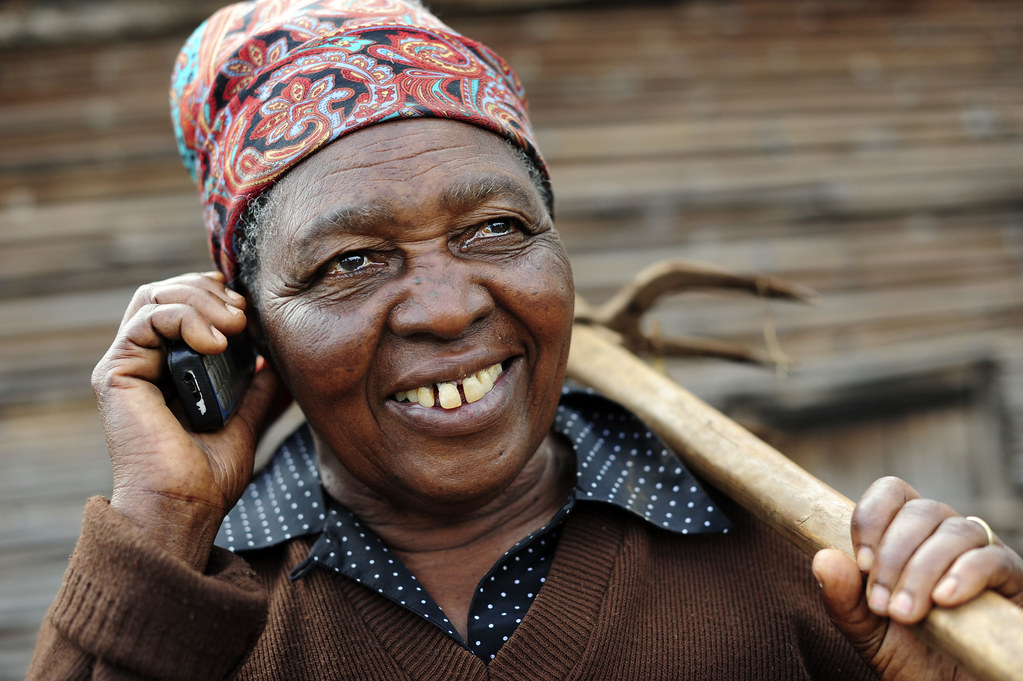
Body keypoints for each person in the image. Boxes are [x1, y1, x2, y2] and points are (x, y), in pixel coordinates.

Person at [28, 1, 1023, 679]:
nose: (450, 307)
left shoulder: (795, 564)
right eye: (351, 262)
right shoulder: (188, 619)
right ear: (247, 327)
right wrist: (160, 523)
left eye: (496, 230)